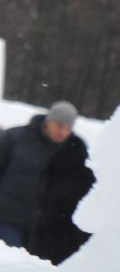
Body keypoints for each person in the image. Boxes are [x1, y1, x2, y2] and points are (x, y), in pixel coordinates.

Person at [0, 101, 95, 261]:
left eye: (68, 128)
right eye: (59, 125)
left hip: (42, 229)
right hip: (8, 217)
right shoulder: (16, 138)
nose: (62, 131)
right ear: (48, 121)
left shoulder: (72, 152)